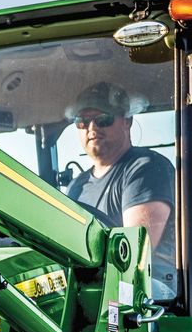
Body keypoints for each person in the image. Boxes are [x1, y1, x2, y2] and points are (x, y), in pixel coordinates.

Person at [64, 82, 176, 294]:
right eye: (83, 122)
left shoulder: (146, 168)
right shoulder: (75, 187)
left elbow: (133, 254)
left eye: (102, 119)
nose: (92, 128)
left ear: (127, 121)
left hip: (152, 294)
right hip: (96, 288)